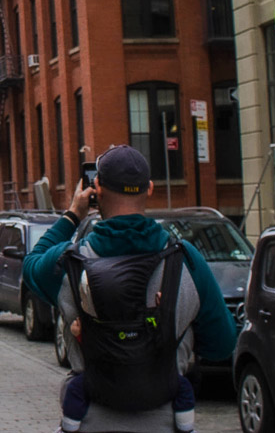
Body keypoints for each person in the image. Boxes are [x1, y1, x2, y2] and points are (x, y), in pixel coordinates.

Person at [22, 145, 236, 433]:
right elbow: (222, 343)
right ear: (149, 188)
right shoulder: (186, 261)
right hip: (165, 420)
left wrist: (73, 214)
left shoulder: (68, 262)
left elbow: (31, 265)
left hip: (89, 418)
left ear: (96, 186)